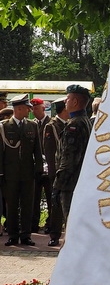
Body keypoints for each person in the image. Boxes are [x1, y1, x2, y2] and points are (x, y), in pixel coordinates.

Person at [0, 96, 43, 246]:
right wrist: (1, 172)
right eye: (26, 107)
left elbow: (37, 150)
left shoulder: (32, 126)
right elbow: (1, 151)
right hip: (9, 173)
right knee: (11, 205)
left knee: (27, 205)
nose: (29, 110)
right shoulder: (4, 126)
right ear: (18, 109)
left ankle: (26, 235)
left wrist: (38, 169)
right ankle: (12, 235)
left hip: (27, 173)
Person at [53, 85, 92, 226]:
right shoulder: (85, 121)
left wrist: (57, 186)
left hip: (70, 184)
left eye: (67, 99)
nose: (65, 102)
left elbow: (68, 160)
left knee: (71, 224)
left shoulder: (74, 126)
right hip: (81, 182)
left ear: (75, 102)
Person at [43, 98, 68, 247]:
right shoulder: (51, 126)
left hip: (68, 171)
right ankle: (54, 235)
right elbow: (49, 152)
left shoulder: (70, 124)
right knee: (56, 205)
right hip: (57, 172)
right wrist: (54, 173)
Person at [30, 98, 51, 233]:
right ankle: (33, 225)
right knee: (34, 198)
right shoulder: (32, 125)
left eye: (37, 108)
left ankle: (50, 224)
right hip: (36, 167)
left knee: (50, 198)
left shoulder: (51, 123)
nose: (35, 111)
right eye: (33, 109)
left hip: (49, 167)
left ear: (43, 108)